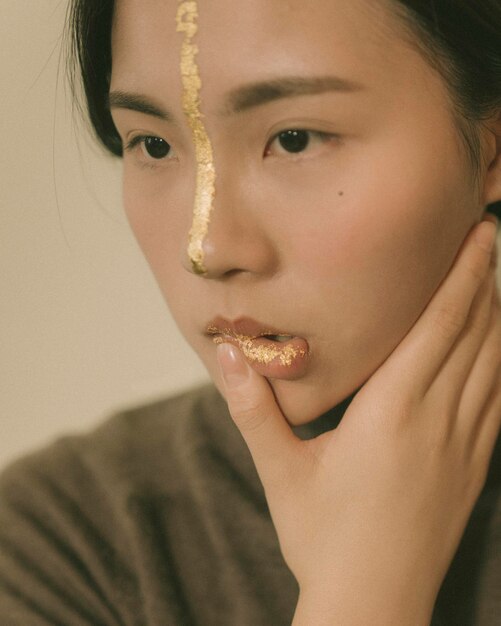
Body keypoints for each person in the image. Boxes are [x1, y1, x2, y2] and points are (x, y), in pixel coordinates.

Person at [1, 0, 500, 624]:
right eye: (152, 144)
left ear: (492, 147)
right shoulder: (64, 545)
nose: (206, 247)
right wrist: (363, 592)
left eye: (294, 139)